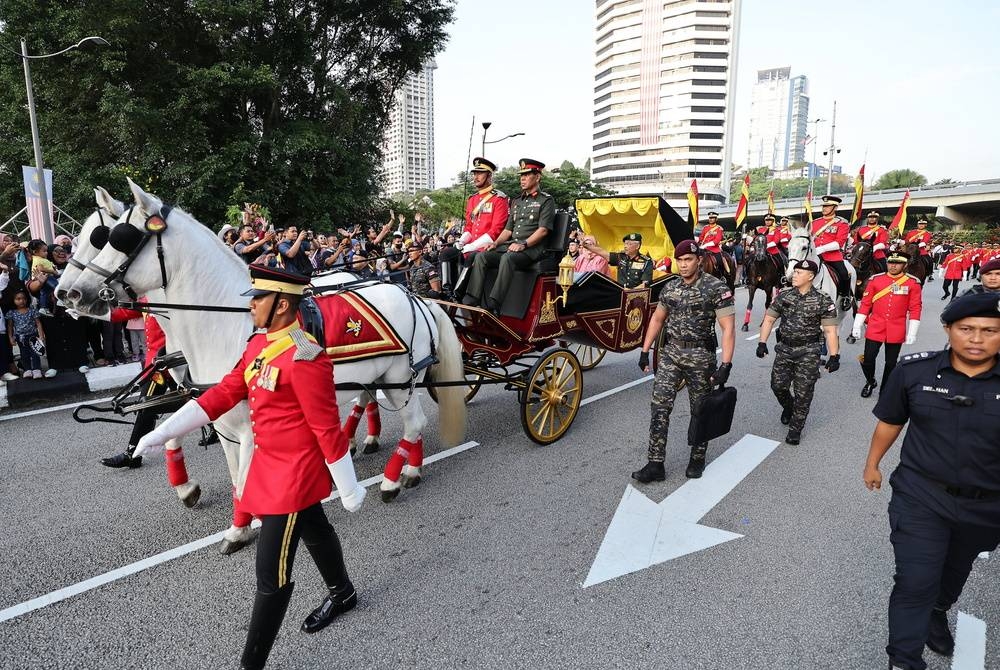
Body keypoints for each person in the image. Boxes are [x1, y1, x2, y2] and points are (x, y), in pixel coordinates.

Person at [132, 264, 366, 669]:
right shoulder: (259, 345)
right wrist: (163, 431)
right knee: (315, 527)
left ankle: (250, 664)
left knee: (270, 573)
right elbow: (225, 392)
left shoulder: (306, 355)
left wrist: (348, 487)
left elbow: (326, 427)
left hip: (295, 475)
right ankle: (342, 592)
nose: (252, 304)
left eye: (258, 298)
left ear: (281, 305)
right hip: (270, 464)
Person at [863, 292, 1000, 670]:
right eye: (966, 329)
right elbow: (891, 421)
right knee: (915, 581)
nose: (976, 339)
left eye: (989, 331)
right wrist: (873, 463)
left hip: (987, 505)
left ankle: (938, 610)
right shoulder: (914, 371)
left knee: (954, 571)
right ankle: (904, 660)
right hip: (921, 495)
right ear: (948, 330)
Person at [634, 240, 735, 481]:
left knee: (700, 410)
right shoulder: (670, 288)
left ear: (698, 260)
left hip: (701, 358)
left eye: (688, 260)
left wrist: (726, 365)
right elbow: (658, 319)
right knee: (659, 407)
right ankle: (655, 464)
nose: (683, 265)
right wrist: (644, 350)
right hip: (670, 355)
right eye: (679, 260)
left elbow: (728, 328)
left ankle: (697, 459)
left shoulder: (716, 288)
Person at [755, 259, 840, 444]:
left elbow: (830, 330)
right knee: (777, 386)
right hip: (785, 348)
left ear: (811, 276)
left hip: (809, 351)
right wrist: (762, 342)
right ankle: (789, 406)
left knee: (804, 392)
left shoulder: (823, 299)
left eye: (799, 273)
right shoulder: (784, 296)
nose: (794, 275)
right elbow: (769, 319)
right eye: (794, 272)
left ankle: (796, 428)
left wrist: (834, 355)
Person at [462, 158, 554, 313]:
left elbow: (543, 230)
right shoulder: (517, 201)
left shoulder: (546, 200)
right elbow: (508, 230)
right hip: (511, 246)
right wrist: (495, 243)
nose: (522, 179)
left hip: (532, 249)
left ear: (537, 177)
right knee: (482, 256)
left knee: (508, 257)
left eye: (527, 175)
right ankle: (473, 297)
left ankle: (495, 302)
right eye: (521, 175)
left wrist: (523, 244)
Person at [852, 251, 923, 398]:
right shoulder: (875, 280)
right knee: (868, 359)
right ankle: (870, 381)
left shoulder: (912, 283)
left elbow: (915, 308)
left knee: (890, 363)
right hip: (875, 326)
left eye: (897, 263)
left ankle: (885, 389)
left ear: (904, 265)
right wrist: (857, 325)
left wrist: (912, 332)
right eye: (890, 262)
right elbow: (865, 304)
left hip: (896, 328)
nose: (892, 266)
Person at [444, 157, 509, 295]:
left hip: (487, 247)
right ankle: (447, 290)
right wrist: (461, 241)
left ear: (489, 175)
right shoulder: (472, 199)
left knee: (471, 255)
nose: (475, 177)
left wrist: (472, 246)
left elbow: (496, 231)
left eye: (480, 173)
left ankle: (460, 293)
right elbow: (469, 227)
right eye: (474, 173)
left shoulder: (499, 199)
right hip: (471, 246)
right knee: (447, 253)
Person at [811, 195, 853, 311]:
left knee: (844, 274)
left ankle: (845, 297)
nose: (824, 208)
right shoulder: (815, 223)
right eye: (823, 206)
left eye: (827, 206)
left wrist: (822, 249)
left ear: (835, 208)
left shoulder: (842, 223)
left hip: (832, 257)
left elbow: (839, 243)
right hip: (815, 256)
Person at [582, 232, 653, 288]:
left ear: (637, 246)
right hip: (619, 293)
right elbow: (602, 252)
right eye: (625, 243)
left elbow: (645, 284)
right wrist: (585, 245)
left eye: (629, 244)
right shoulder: (620, 257)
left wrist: (630, 291)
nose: (625, 246)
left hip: (636, 295)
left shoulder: (646, 261)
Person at [6, 289, 46, 379]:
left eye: (23, 298)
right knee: (24, 354)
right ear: (13, 300)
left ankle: (36, 370)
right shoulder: (12, 313)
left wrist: (41, 335)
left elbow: (38, 323)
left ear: (27, 299)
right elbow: (10, 326)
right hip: (21, 338)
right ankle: (27, 370)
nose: (21, 301)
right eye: (18, 299)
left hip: (33, 336)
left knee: (35, 353)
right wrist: (11, 338)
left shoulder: (32, 310)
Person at [27, 239, 60, 316]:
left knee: (44, 293)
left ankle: (44, 308)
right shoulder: (38, 259)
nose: (47, 253)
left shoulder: (41, 259)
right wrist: (52, 271)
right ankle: (61, 298)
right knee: (56, 286)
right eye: (44, 251)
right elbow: (40, 269)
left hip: (43, 278)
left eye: (47, 250)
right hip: (45, 277)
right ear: (35, 252)